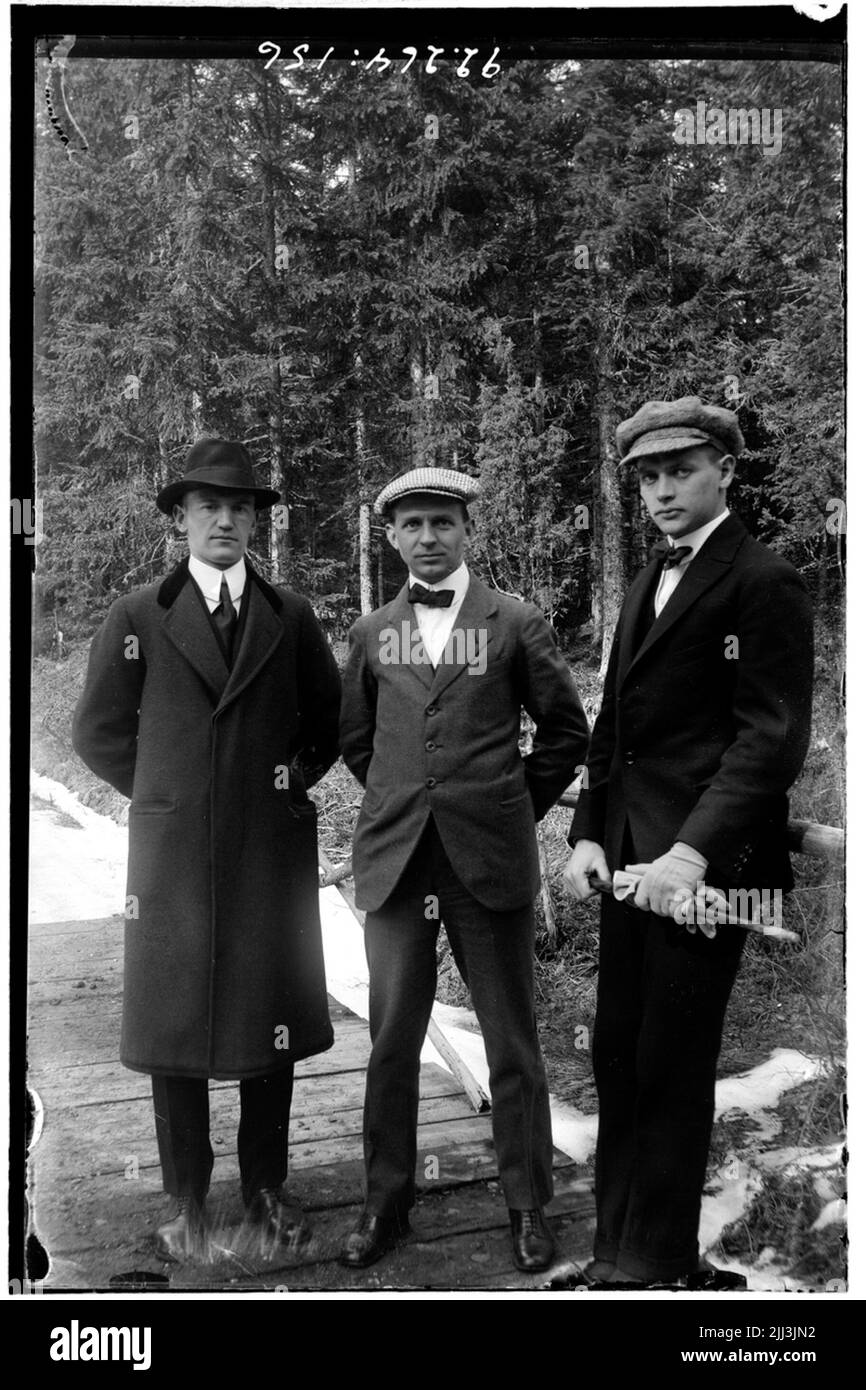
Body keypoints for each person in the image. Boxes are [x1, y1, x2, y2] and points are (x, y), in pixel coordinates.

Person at [563, 397, 814, 1289]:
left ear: (725, 472)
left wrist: (692, 854)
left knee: (673, 1058)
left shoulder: (763, 580)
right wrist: (587, 832)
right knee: (620, 1051)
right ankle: (612, 1252)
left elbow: (768, 741)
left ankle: (661, 1263)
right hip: (629, 864)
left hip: (709, 873)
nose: (663, 491)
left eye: (681, 471)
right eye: (649, 477)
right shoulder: (644, 583)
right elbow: (614, 728)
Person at [72, 439, 342, 1261]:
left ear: (255, 521)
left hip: (268, 849)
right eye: (208, 507)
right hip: (173, 855)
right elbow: (98, 733)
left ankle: (267, 1186)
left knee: (273, 1018)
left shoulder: (289, 615)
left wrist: (288, 782)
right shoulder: (138, 616)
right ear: (181, 521)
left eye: (240, 508)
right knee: (174, 1018)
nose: (225, 520)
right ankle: (185, 1196)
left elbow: (326, 726)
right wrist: (163, 795)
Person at [338, 466, 589, 1272]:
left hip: (489, 858)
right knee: (391, 1041)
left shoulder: (515, 622)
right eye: (411, 525)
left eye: (442, 522)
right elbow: (358, 742)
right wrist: (403, 797)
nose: (428, 538)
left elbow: (563, 733)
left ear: (467, 529)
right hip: (398, 863)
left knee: (512, 1042)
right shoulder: (373, 632)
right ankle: (387, 1203)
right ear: (391, 538)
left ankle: (527, 1206)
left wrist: (512, 804)